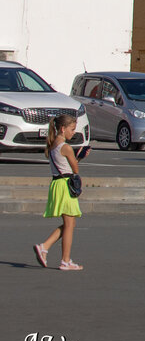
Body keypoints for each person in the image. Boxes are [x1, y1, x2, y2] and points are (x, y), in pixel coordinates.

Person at [34, 113, 83, 271]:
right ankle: (65, 260)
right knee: (70, 224)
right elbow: (75, 169)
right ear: (63, 129)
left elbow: (64, 165)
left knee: (70, 223)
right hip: (64, 185)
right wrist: (79, 156)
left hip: (57, 184)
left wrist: (76, 158)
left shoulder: (53, 144)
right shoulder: (66, 147)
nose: (73, 132)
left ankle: (45, 246)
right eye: (72, 129)